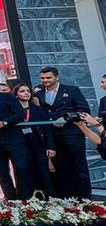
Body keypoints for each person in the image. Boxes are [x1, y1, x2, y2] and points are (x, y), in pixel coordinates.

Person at [33, 66, 91, 198]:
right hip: (52, 136)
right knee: (61, 169)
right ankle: (68, 200)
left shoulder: (72, 90)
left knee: (79, 166)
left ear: (57, 77)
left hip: (72, 134)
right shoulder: (38, 94)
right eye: (42, 78)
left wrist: (66, 118)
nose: (45, 80)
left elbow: (84, 110)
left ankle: (86, 200)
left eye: (48, 77)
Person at [14, 84, 56, 198]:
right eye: (22, 91)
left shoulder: (37, 109)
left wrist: (50, 146)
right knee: (24, 173)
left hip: (38, 144)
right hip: (20, 145)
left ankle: (48, 198)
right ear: (16, 95)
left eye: (28, 91)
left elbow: (47, 129)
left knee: (43, 172)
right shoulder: (13, 111)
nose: (26, 93)